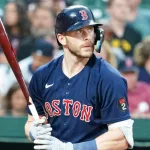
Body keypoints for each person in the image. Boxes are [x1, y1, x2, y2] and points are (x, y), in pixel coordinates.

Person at [24, 5, 134, 150]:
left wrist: (68, 148)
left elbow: (121, 137)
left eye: (90, 30)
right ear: (62, 38)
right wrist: (34, 132)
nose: (88, 36)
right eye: (79, 31)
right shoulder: (42, 75)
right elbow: (31, 120)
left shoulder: (109, 78)